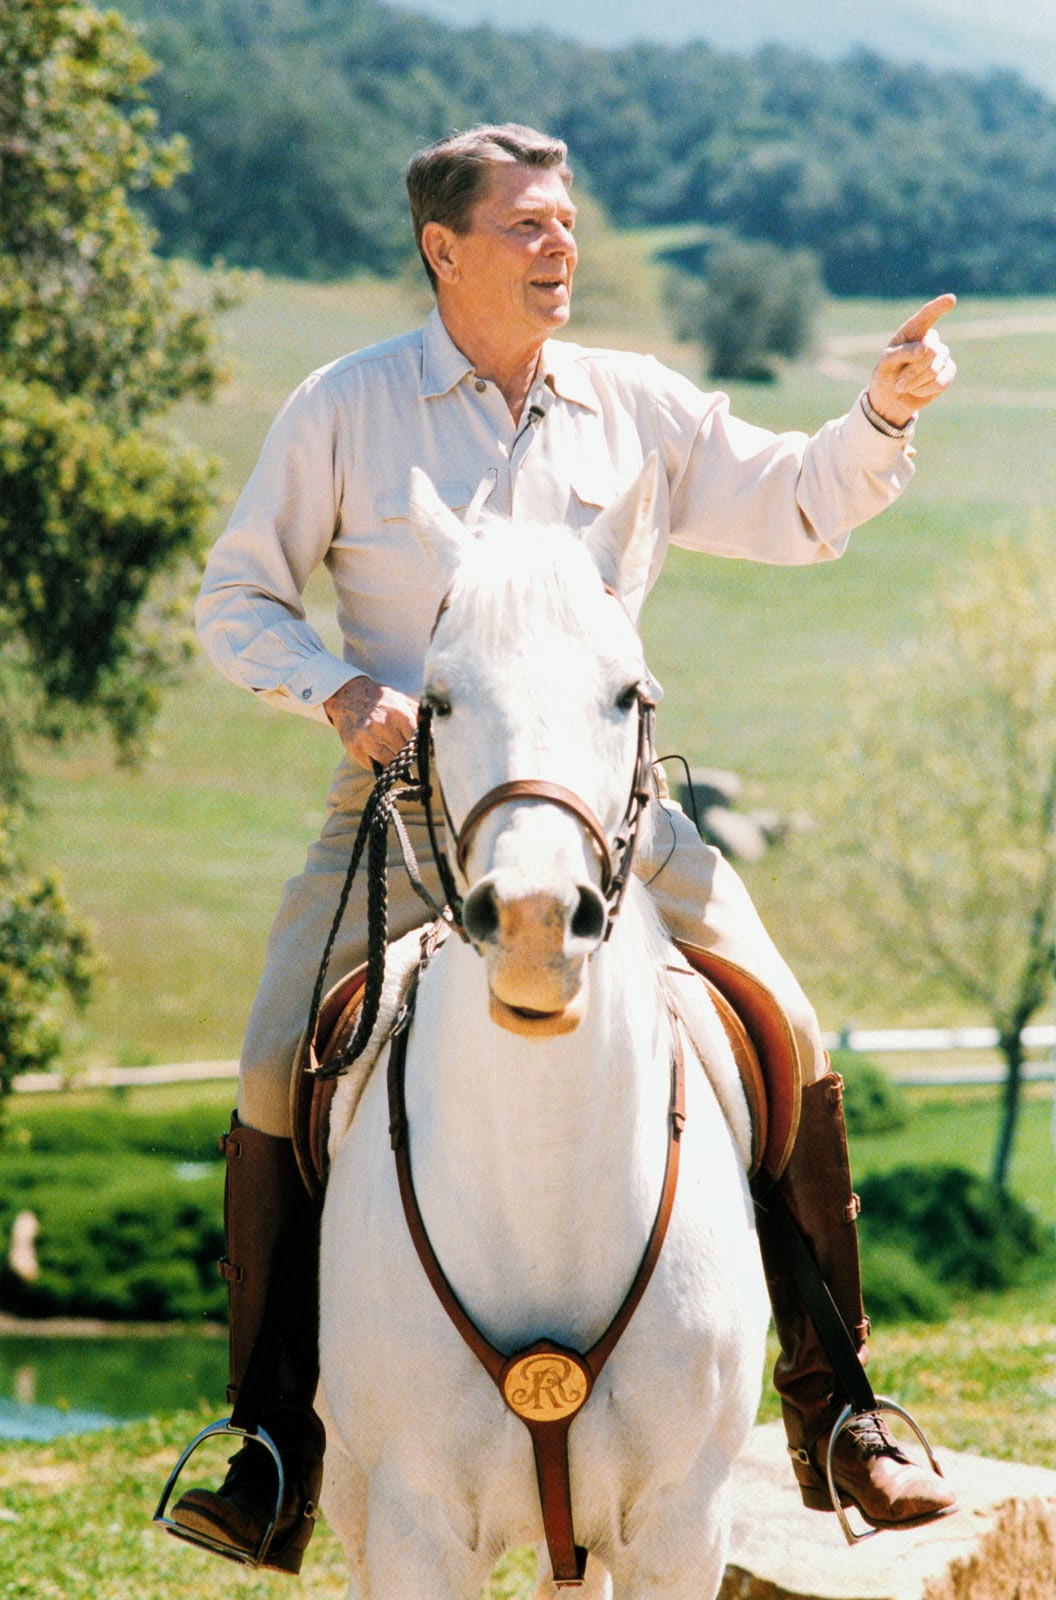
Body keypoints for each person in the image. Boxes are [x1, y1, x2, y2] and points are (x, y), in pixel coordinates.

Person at [164, 124, 958, 1574]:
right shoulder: (345, 406)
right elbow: (235, 598)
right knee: (276, 1059)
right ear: (443, 249)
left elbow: (796, 500)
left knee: (789, 1032)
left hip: (621, 824)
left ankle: (840, 1410)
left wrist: (882, 414)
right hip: (407, 819)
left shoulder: (631, 402)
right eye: (526, 224)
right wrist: (337, 692)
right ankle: (273, 1441)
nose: (561, 247)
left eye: (568, 221)